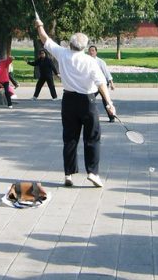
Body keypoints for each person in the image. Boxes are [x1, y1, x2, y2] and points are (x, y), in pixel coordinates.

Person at [34, 18, 115, 188]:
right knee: (92, 138)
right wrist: (109, 103)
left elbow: (44, 38)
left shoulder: (62, 53)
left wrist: (40, 25)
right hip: (88, 101)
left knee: (70, 138)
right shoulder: (91, 61)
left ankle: (68, 174)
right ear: (85, 47)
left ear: (70, 44)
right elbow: (101, 83)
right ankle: (92, 173)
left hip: (68, 100)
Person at [88, 46, 116, 122]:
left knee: (106, 101)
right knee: (88, 99)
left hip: (102, 84)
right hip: (93, 85)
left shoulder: (100, 62)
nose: (91, 52)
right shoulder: (86, 61)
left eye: (93, 50)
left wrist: (111, 83)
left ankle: (112, 117)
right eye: (90, 51)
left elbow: (107, 73)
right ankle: (87, 116)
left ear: (96, 52)